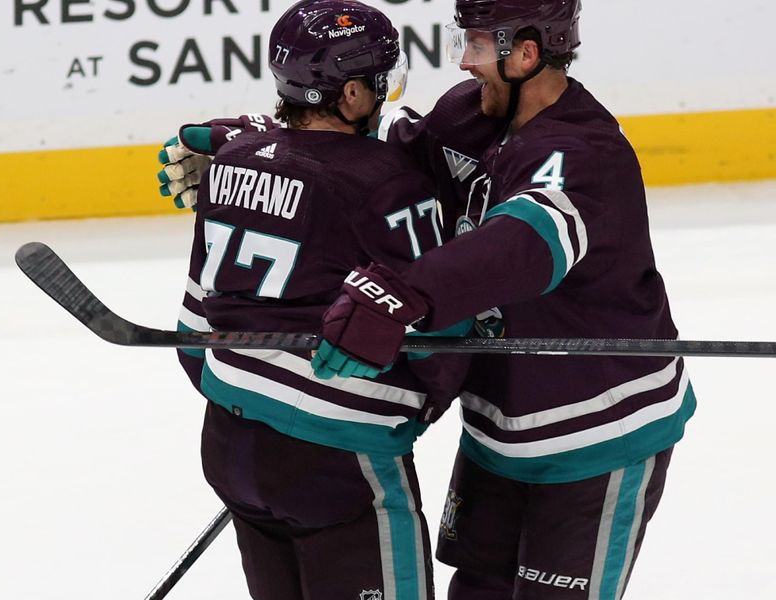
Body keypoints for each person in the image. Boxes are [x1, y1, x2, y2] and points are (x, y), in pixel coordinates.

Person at [310, 1, 697, 599]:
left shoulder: (583, 151)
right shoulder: (469, 114)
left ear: (528, 52)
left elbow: (521, 244)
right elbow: (377, 152)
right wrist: (253, 142)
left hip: (596, 434)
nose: (464, 63)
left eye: (479, 46)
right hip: (497, 430)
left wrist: (405, 292)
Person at [175, 1, 470, 599]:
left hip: (228, 439)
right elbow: (440, 331)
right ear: (354, 93)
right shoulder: (386, 182)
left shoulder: (226, 161)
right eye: (381, 80)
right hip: (336, 457)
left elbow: (193, 326)